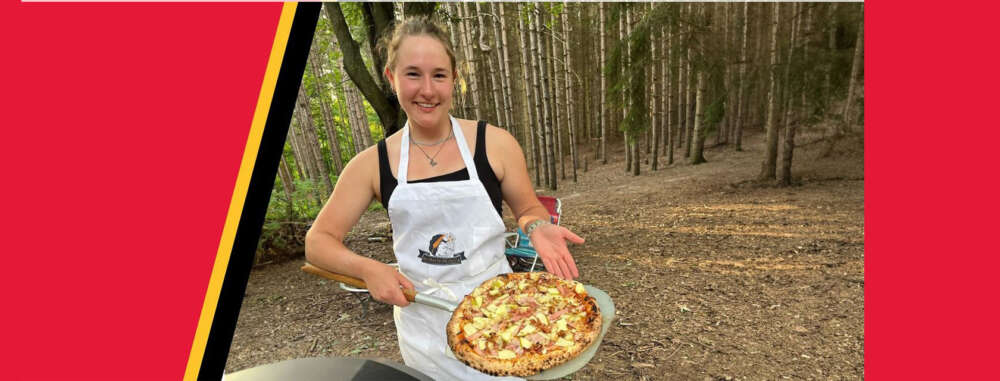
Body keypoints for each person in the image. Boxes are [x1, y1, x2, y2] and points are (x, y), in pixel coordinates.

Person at [304, 16, 584, 381]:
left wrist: (537, 227)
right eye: (412, 74)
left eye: (438, 75)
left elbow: (528, 209)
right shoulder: (371, 164)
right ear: (391, 78)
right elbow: (318, 242)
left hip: (501, 314)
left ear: (454, 78)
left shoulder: (495, 144)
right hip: (423, 325)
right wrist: (369, 269)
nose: (427, 90)